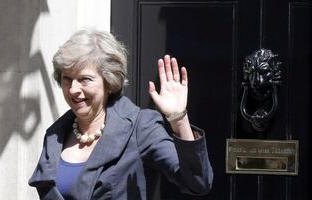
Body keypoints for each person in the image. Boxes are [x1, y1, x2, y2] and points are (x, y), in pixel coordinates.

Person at [28, 29, 213, 200]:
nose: (74, 89)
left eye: (85, 79)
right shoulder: (55, 135)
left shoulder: (140, 127)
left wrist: (179, 119)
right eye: (67, 79)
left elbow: (197, 183)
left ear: (109, 82)